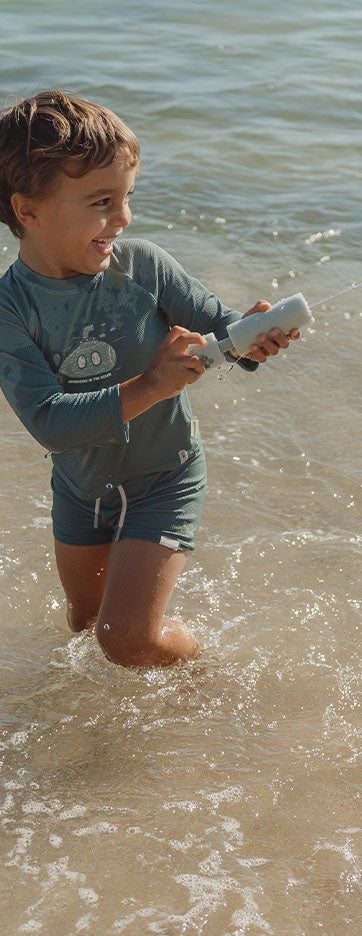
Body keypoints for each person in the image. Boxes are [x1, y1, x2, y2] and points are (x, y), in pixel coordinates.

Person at [0, 90, 302, 668]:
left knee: (127, 639)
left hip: (165, 476)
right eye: (101, 201)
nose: (124, 218)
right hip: (81, 488)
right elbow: (49, 425)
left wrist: (254, 336)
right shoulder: (11, 309)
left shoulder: (145, 268)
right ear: (28, 211)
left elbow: (224, 332)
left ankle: (209, 673)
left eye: (127, 197)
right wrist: (153, 384)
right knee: (87, 628)